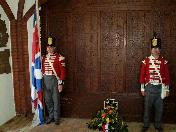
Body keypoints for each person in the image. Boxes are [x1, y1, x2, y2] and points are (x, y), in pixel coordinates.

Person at [139, 33, 170, 132]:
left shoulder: (164, 62)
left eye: (158, 48)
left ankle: (158, 125)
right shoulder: (146, 61)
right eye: (154, 48)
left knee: (159, 109)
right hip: (149, 88)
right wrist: (142, 88)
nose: (156, 50)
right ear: (151, 50)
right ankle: (146, 124)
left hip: (160, 88)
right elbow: (142, 76)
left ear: (160, 50)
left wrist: (167, 89)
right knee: (147, 108)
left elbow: (167, 76)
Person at [42, 36, 66, 125]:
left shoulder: (60, 57)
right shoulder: (43, 58)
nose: (49, 49)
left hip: (54, 80)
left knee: (56, 100)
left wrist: (61, 83)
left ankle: (56, 118)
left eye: (51, 47)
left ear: (54, 48)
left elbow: (63, 72)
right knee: (48, 100)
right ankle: (50, 116)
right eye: (48, 47)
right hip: (45, 80)